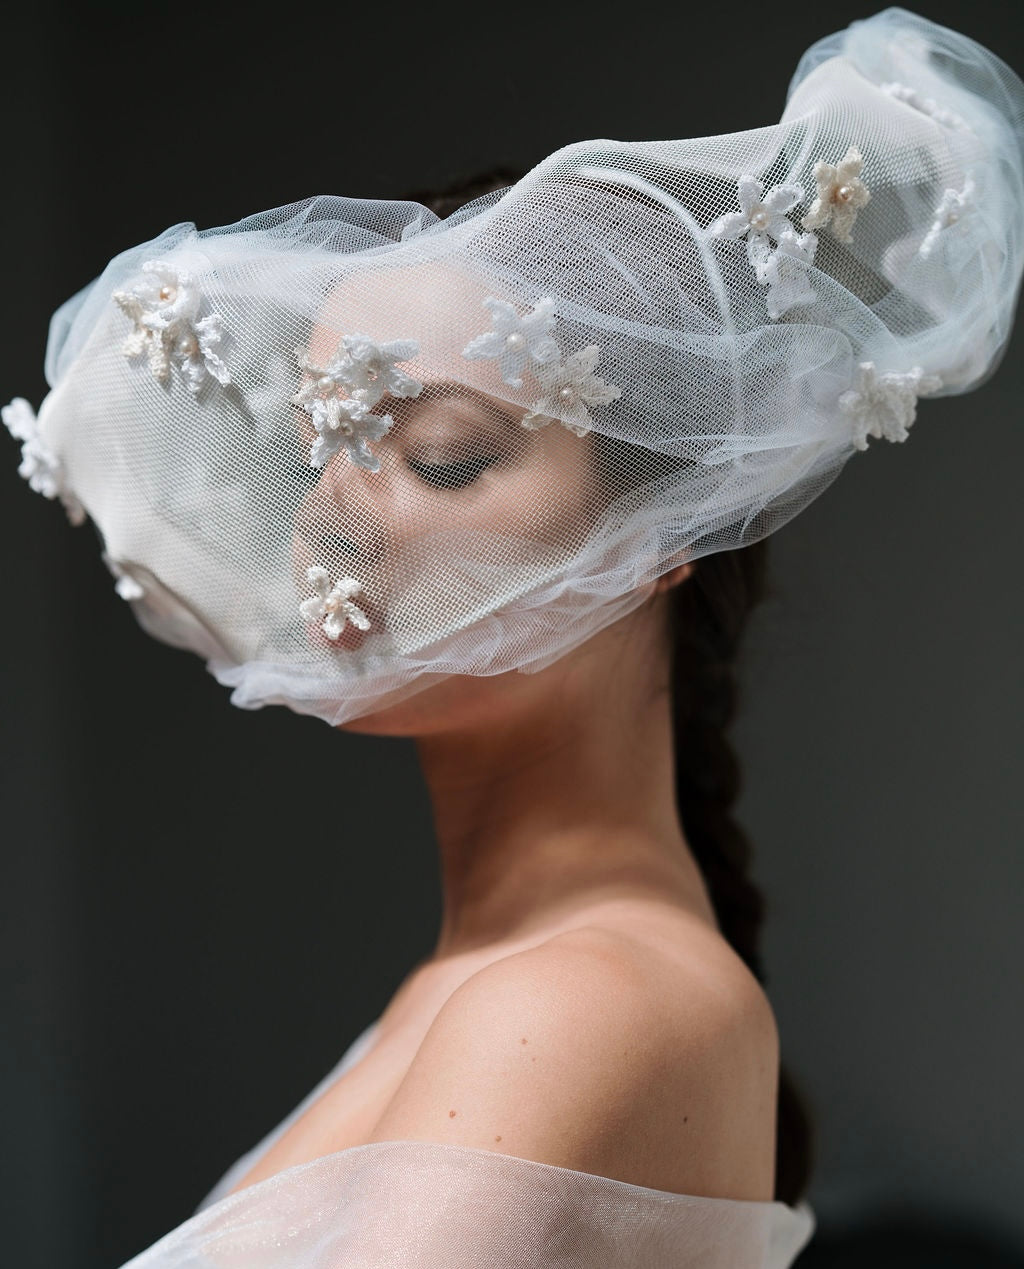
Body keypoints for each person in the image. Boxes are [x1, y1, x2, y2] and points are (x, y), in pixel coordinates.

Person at [4, 7, 1021, 1265]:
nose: (328, 511)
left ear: (662, 530)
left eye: (442, 455)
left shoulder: (584, 1001)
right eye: (322, 444)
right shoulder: (478, 991)